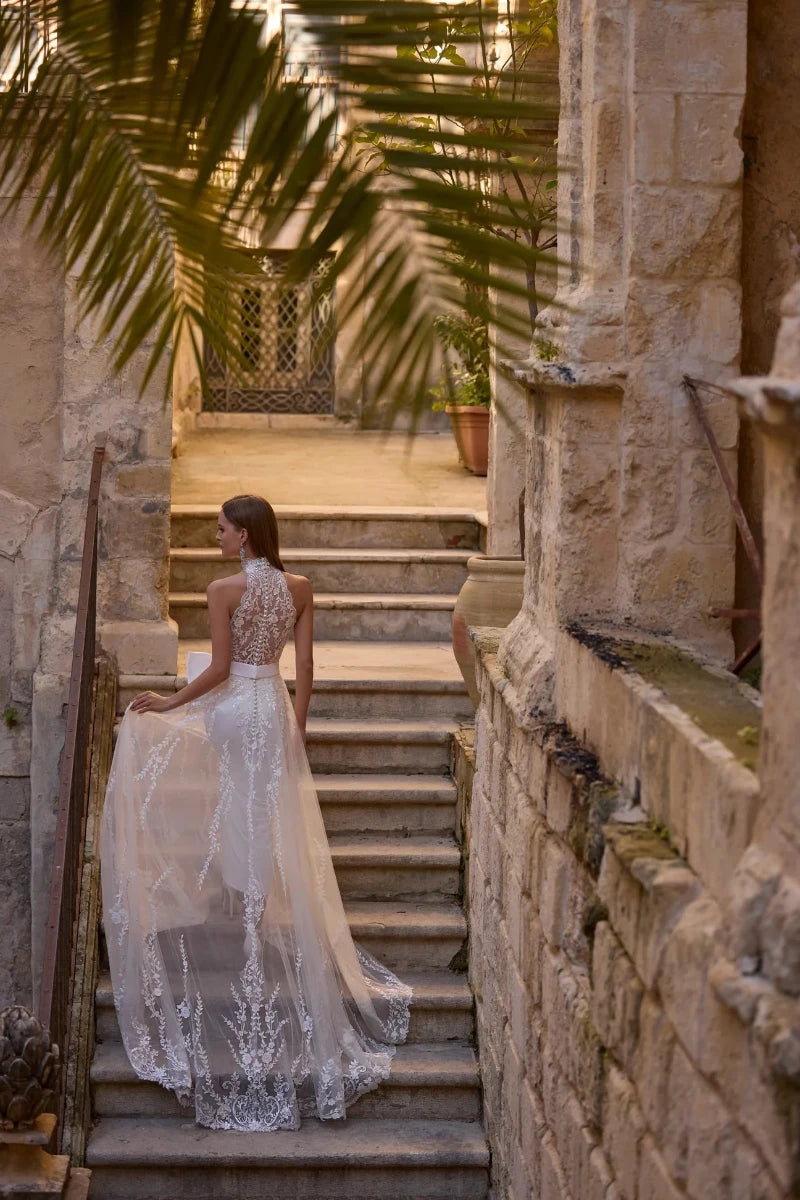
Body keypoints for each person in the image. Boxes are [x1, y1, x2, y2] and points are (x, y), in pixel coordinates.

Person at [99, 494, 412, 1132]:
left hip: (236, 708)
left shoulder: (223, 589)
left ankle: (238, 902)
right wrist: (296, 731)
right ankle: (253, 899)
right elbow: (306, 669)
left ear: (243, 535)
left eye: (219, 529)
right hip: (272, 711)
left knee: (221, 790)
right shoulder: (300, 586)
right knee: (263, 811)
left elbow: (217, 669)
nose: (214, 536)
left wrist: (167, 705)